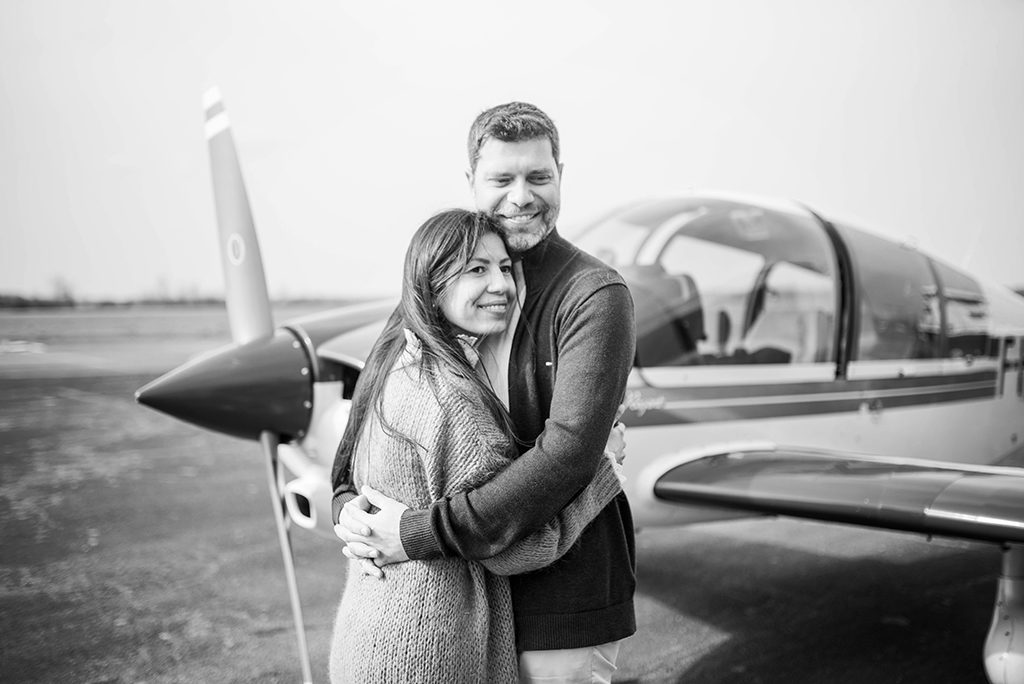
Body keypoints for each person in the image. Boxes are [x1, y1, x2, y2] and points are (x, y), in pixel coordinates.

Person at [334, 102, 638, 682]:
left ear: (560, 176)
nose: (521, 196)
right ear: (471, 182)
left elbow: (569, 454)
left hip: (561, 596)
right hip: (463, 602)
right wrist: (348, 509)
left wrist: (415, 532)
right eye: (502, 178)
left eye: (538, 177)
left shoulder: (594, 294)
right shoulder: (441, 284)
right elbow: (364, 416)